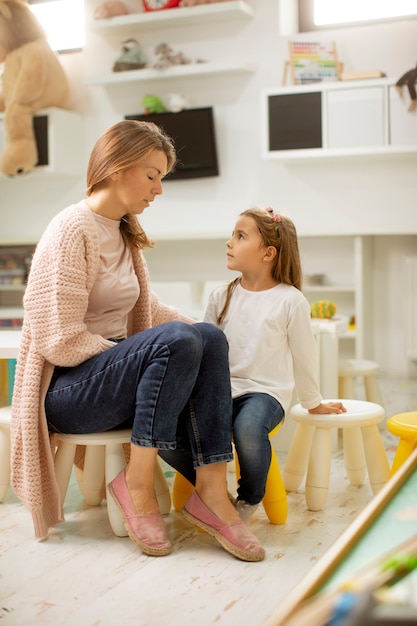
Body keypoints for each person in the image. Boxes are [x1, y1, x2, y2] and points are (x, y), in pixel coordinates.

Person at [10, 121, 265, 562]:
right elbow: (60, 340)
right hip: (68, 389)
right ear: (115, 167)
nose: (158, 190)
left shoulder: (122, 232)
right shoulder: (71, 229)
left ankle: (210, 491)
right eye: (152, 175)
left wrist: (205, 338)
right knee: (179, 342)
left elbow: (148, 313)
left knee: (205, 337)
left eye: (161, 178)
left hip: (111, 376)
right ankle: (139, 485)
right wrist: (143, 358)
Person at [203, 207, 346, 521]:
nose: (229, 242)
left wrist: (313, 401)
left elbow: (304, 355)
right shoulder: (220, 295)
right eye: (232, 234)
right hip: (222, 390)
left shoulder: (290, 300)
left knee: (248, 429)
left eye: (240, 236)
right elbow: (206, 351)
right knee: (173, 432)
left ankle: (249, 498)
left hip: (265, 393)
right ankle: (208, 493)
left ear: (268, 253)